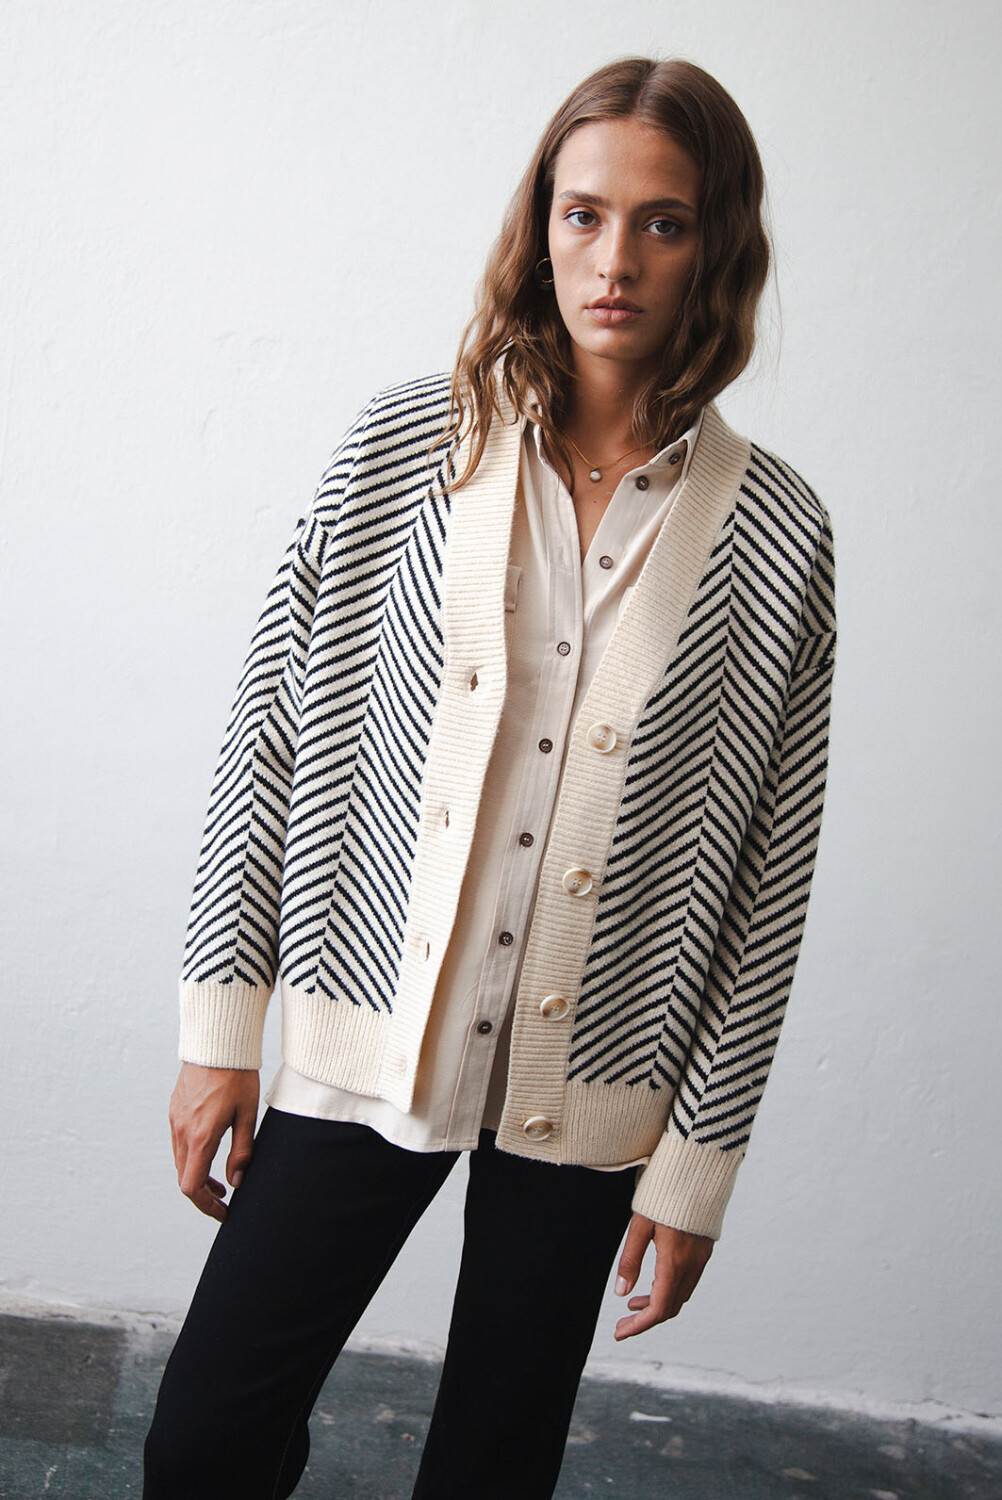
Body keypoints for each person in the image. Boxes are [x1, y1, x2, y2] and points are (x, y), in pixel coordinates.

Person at [143, 55, 835, 1500]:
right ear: (539, 226)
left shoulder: (777, 530)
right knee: (205, 1437)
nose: (616, 260)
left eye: (663, 222)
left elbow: (769, 878)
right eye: (584, 214)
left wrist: (696, 1165)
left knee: (492, 1467)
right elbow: (269, 733)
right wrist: (221, 1028)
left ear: (716, 246)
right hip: (366, 1032)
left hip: (595, 1086)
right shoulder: (404, 447)